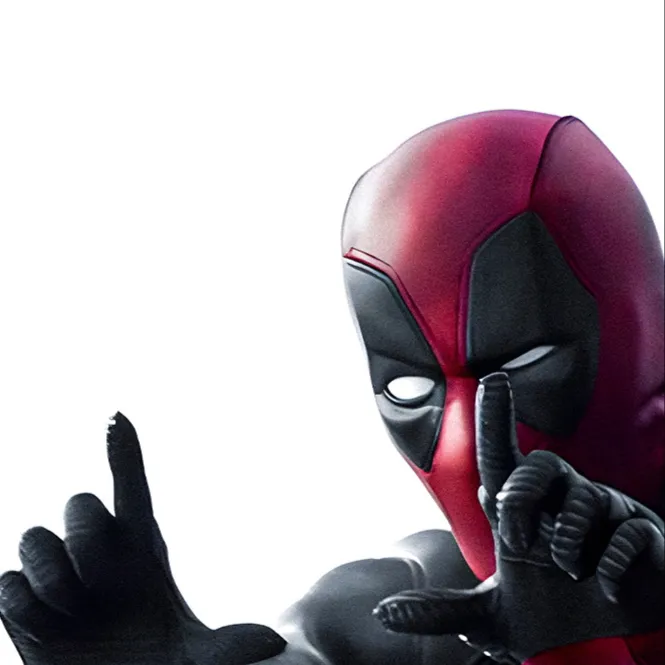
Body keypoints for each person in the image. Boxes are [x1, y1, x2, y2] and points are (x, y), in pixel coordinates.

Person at [0, 111, 662, 665]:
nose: (464, 442)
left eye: (523, 361)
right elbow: (310, 648)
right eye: (409, 385)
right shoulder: (406, 612)